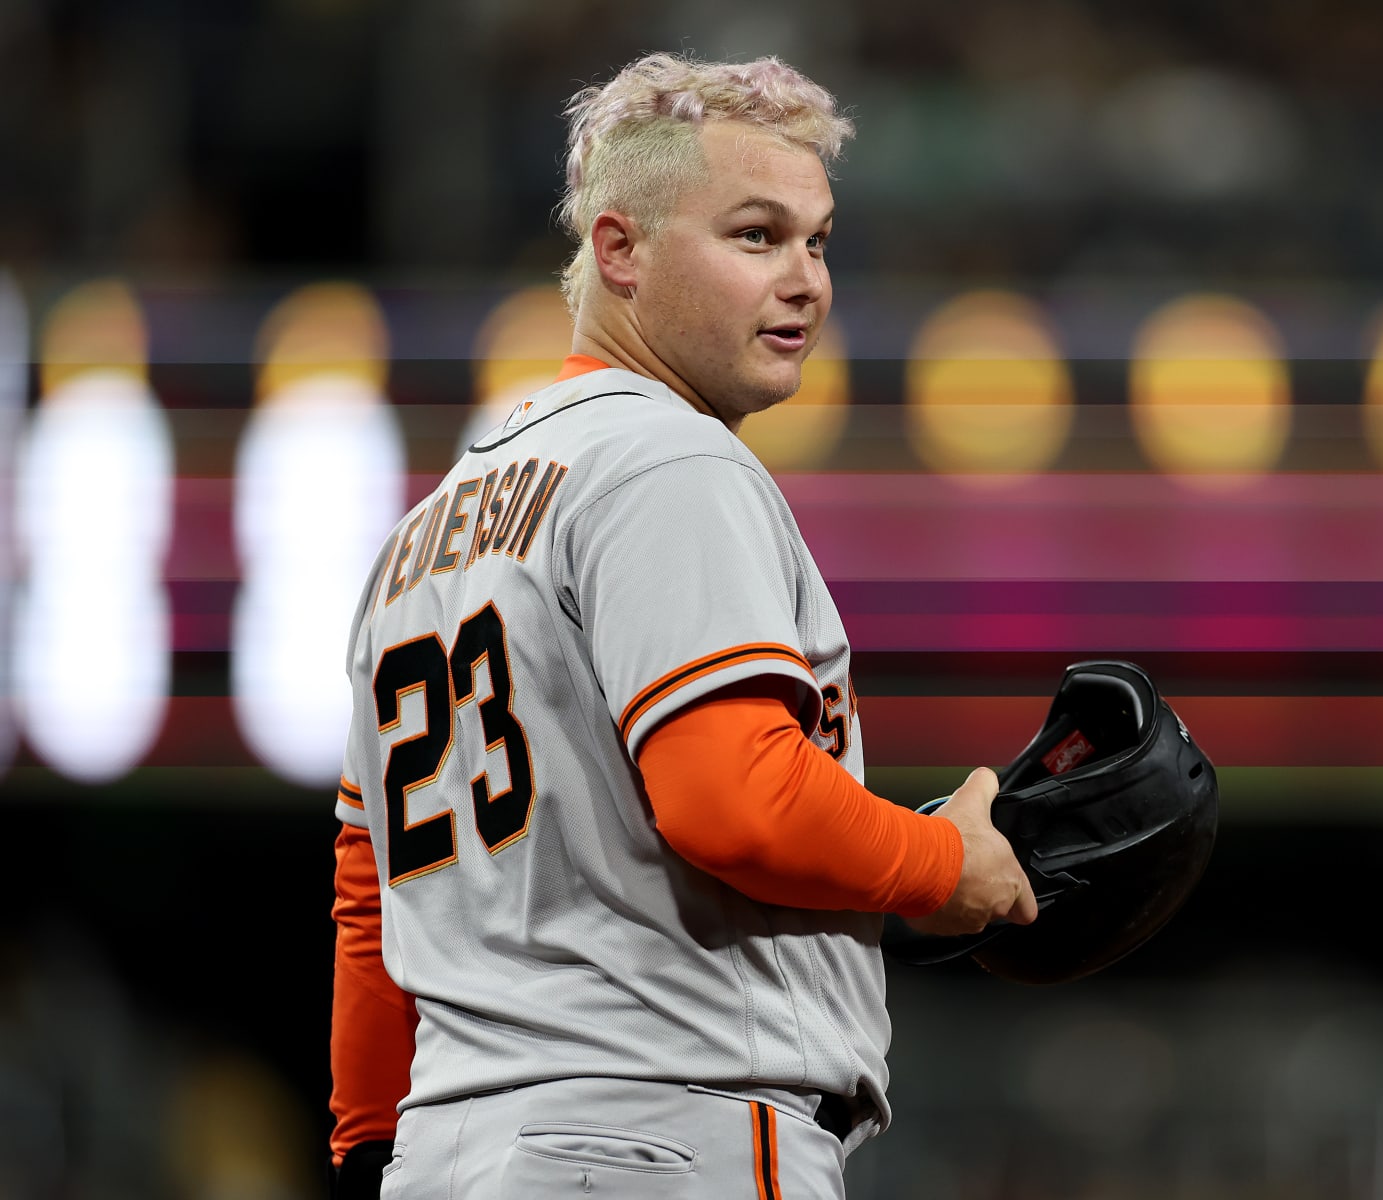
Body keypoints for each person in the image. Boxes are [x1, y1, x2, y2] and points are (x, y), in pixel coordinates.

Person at [328, 52, 1037, 1199]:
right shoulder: (666, 460)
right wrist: (942, 862)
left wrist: (365, 1153)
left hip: (447, 1155)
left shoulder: (422, 533)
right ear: (621, 251)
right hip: (658, 1136)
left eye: (818, 240)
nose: (806, 279)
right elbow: (733, 798)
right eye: (756, 235)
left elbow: (375, 901)